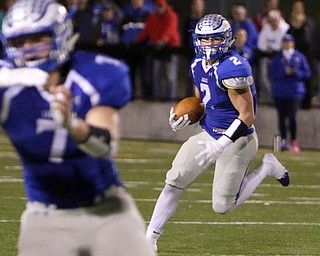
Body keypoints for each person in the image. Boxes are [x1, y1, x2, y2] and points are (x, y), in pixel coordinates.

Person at [0, 0, 156, 255]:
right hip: (45, 215)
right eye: (19, 42)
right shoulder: (8, 86)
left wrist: (73, 125)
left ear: (59, 34)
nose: (28, 49)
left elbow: (106, 145)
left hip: (108, 211)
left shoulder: (97, 72)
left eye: (37, 38)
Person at [145, 14, 290, 252]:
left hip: (238, 140)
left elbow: (247, 115)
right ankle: (149, 241)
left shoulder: (234, 67)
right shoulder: (196, 65)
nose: (208, 45)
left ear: (226, 40)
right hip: (207, 135)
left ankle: (266, 166)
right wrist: (184, 120)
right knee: (174, 182)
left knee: (222, 206)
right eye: (204, 40)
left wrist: (222, 143)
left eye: (214, 39)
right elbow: (201, 103)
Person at [269, 34, 311, 153]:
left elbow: (307, 73)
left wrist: (295, 72)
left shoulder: (299, 57)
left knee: (292, 117)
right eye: (285, 42)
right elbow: (272, 74)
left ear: (293, 43)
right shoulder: (277, 57)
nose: (287, 44)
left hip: (295, 92)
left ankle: (293, 140)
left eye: (289, 42)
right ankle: (283, 140)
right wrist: (284, 72)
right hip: (280, 92)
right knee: (281, 117)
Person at [136, 0, 181, 101]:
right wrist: (137, 40)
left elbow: (170, 29)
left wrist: (162, 40)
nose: (159, 8)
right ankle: (158, 97)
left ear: (165, 6)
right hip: (157, 49)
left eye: (161, 6)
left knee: (170, 75)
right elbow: (146, 31)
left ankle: (170, 98)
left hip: (170, 48)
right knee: (156, 74)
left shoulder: (172, 15)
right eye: (158, 6)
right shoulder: (152, 17)